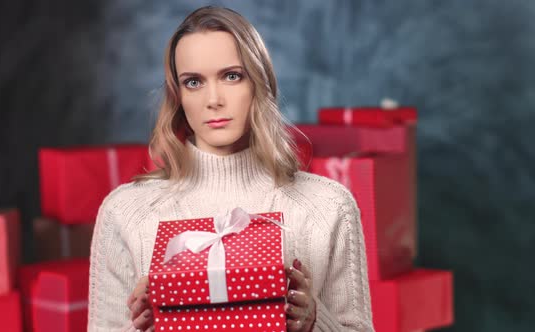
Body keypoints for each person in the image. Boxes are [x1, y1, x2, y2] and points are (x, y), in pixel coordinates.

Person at [88, 5, 374, 332]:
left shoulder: (328, 206)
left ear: (259, 83)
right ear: (177, 96)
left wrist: (312, 321)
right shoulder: (125, 212)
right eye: (194, 82)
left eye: (231, 76)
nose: (214, 99)